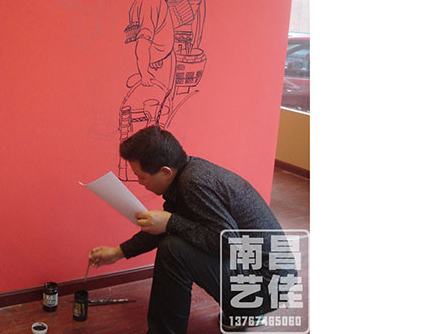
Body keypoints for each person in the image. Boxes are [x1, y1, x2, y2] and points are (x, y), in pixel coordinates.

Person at [89, 126, 297, 333]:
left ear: (165, 172)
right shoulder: (188, 172)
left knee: (172, 249)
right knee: (176, 237)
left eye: (141, 176)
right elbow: (162, 227)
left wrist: (171, 222)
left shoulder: (193, 184)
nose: (140, 182)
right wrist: (118, 252)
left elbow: (228, 242)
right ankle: (244, 313)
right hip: (266, 277)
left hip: (264, 287)